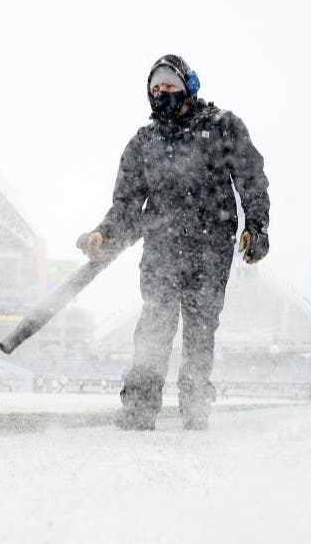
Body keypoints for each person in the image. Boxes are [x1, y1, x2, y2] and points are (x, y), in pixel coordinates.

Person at [78, 54, 269, 431]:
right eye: (155, 88)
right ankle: (138, 410)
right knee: (153, 329)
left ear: (189, 86)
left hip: (210, 252)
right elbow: (127, 206)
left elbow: (252, 180)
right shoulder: (144, 143)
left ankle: (196, 407)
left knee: (200, 333)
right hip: (162, 253)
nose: (162, 93)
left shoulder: (221, 127)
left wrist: (257, 227)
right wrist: (105, 234)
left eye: (170, 85)